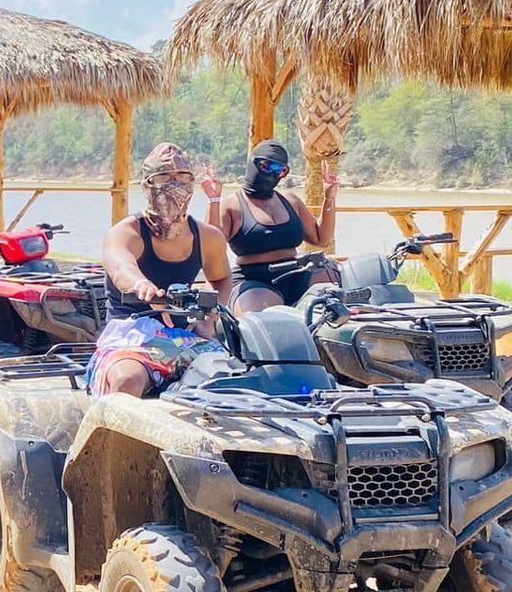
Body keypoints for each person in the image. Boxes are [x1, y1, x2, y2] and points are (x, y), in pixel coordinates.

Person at [89, 143, 235, 398]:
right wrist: (141, 285)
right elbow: (120, 265)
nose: (174, 185)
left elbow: (222, 278)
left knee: (231, 378)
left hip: (184, 337)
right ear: (147, 184)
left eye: (182, 178)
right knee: (128, 380)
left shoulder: (208, 237)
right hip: (131, 336)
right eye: (164, 177)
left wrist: (208, 321)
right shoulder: (127, 232)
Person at [204, 139, 339, 315]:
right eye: (266, 166)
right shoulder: (233, 205)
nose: (272, 174)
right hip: (254, 280)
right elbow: (210, 248)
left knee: (337, 298)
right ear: (253, 164)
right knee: (261, 322)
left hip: (297, 272)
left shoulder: (290, 200)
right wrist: (213, 200)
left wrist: (329, 196)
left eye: (280, 170)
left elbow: (321, 238)